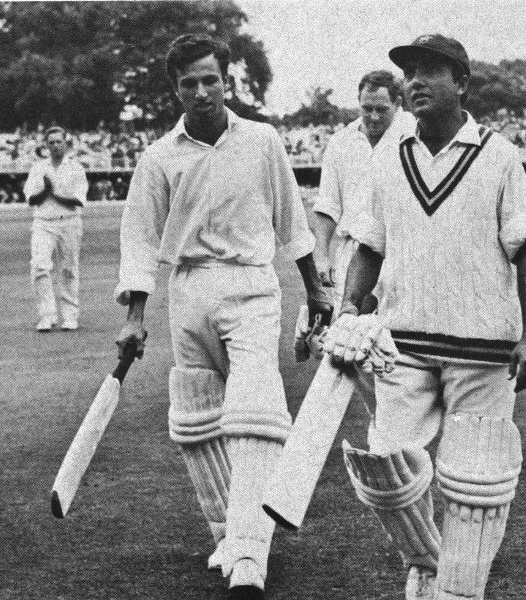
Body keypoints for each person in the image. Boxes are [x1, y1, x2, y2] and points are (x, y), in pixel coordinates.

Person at [329, 34, 526, 599]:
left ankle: (457, 588)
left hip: (483, 346)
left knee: (477, 482)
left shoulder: (497, 154)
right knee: (385, 470)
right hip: (403, 344)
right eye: (411, 72)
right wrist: (352, 306)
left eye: (431, 71)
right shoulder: (389, 156)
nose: (416, 81)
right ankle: (429, 561)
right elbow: (369, 246)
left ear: (462, 83)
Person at [113, 34, 331, 600]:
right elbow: (138, 240)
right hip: (188, 291)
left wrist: (317, 291)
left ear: (226, 80)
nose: (203, 91)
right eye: (190, 82)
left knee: (255, 414)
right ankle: (228, 536)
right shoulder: (160, 156)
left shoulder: (261, 140)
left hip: (252, 287)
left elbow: (293, 224)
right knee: (197, 422)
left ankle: (250, 554)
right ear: (175, 89)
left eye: (212, 79)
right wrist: (135, 316)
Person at [312, 70, 415, 310]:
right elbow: (328, 205)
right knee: (348, 333)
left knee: (395, 338)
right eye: (367, 109)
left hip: (399, 253)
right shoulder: (342, 142)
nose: (374, 117)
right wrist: (321, 254)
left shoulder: (414, 134)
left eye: (382, 109)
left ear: (398, 104)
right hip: (353, 252)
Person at [23, 126, 88, 331]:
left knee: (68, 268)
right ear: (46, 145)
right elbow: (32, 199)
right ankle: (47, 316)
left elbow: (76, 201)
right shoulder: (38, 168)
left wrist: (53, 192)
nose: (55, 146)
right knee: (40, 267)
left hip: (69, 222)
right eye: (51, 142)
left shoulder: (76, 168)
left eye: (59, 142)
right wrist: (45, 191)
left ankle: (70, 316)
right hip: (43, 222)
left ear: (66, 144)